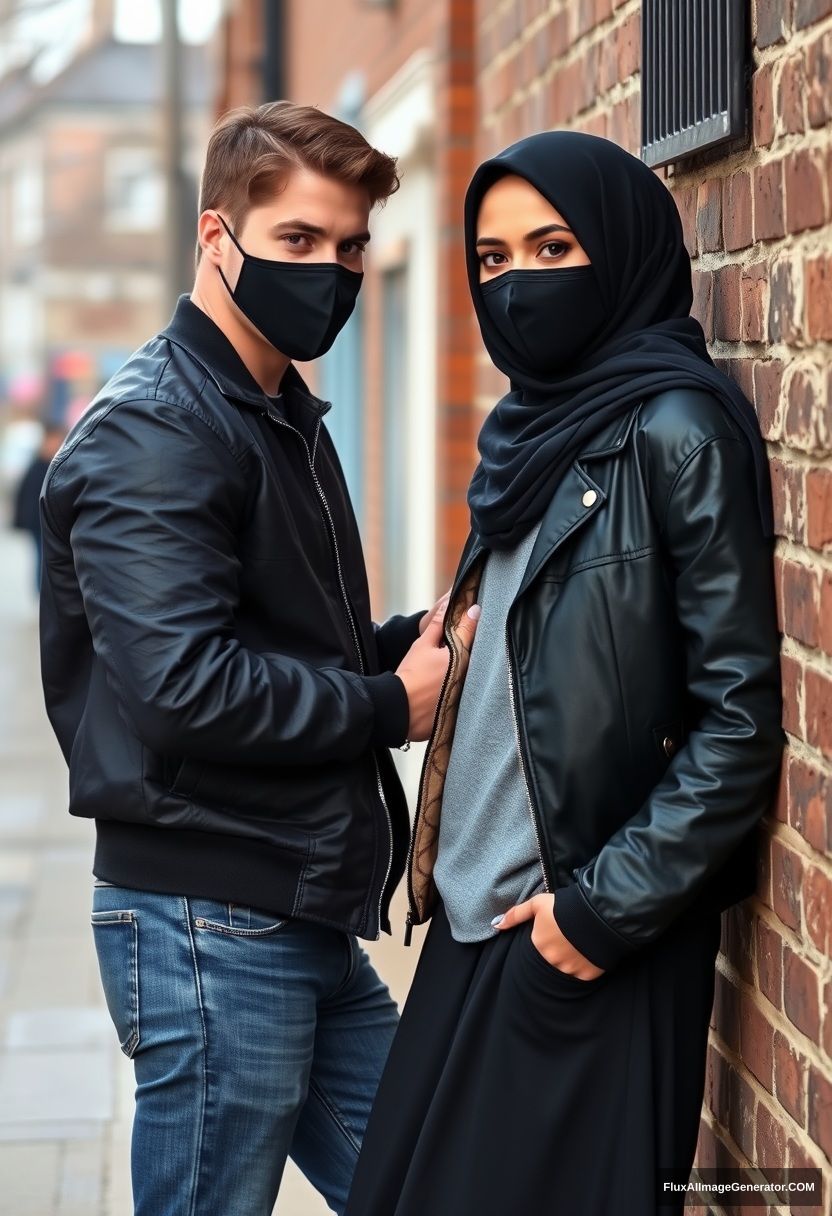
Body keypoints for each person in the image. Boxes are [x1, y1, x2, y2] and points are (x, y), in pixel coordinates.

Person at [38, 101, 478, 1216]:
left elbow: (278, 644)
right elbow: (182, 691)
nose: (328, 271)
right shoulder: (159, 431)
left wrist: (407, 647)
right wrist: (387, 704)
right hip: (207, 917)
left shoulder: (275, 410)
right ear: (215, 236)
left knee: (429, 1183)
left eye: (350, 247)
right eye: (295, 241)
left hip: (297, 905)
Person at [344, 130, 785, 1216]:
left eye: (552, 247)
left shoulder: (677, 431)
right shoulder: (531, 432)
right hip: (470, 926)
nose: (516, 285)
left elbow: (738, 723)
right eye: (491, 260)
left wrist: (593, 917)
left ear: (624, 249)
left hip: (582, 936)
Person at [12, 423, 65, 591]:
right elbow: (23, 495)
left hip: (51, 521)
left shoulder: (57, 464)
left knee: (49, 560)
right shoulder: (38, 465)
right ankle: (41, 595)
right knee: (42, 560)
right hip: (37, 522)